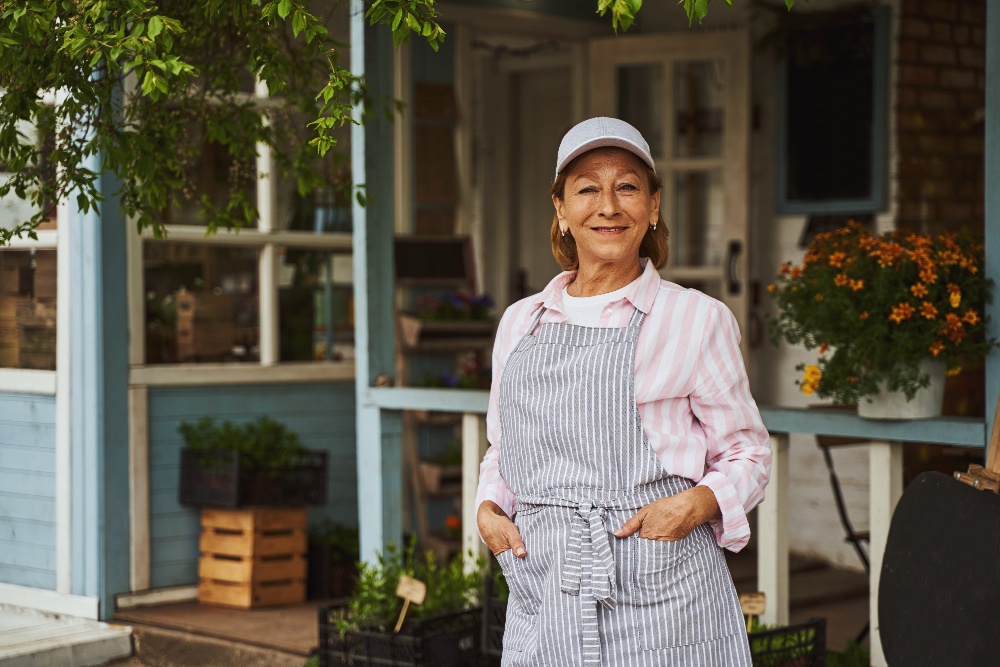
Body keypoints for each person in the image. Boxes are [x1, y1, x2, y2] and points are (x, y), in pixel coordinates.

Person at [475, 117, 771, 666]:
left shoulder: (696, 319)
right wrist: (490, 509)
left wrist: (696, 504)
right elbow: (503, 446)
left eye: (627, 186)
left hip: (663, 590)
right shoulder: (521, 322)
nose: (608, 205)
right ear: (560, 210)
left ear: (653, 206)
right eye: (587, 188)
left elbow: (747, 453)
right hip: (547, 588)